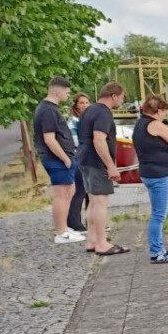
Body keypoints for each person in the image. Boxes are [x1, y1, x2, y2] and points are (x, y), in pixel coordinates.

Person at [32, 76, 83, 245]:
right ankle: (60, 232)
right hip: (56, 159)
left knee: (70, 190)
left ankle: (65, 228)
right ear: (59, 90)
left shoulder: (50, 108)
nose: (68, 95)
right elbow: (49, 139)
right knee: (61, 194)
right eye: (67, 92)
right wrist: (65, 159)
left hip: (63, 157)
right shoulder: (48, 110)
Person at [79, 81, 129, 256]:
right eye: (122, 97)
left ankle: (92, 240)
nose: (122, 101)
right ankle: (102, 243)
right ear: (113, 96)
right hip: (97, 162)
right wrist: (111, 166)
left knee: (92, 202)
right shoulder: (103, 113)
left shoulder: (89, 110)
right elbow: (98, 139)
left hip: (85, 160)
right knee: (101, 203)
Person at [134, 95, 168, 264]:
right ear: (157, 111)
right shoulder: (155, 124)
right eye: (163, 111)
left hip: (149, 172)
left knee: (157, 213)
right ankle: (156, 252)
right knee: (158, 215)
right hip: (158, 174)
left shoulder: (140, 124)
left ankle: (160, 250)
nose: (164, 115)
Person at [66, 92, 92, 233]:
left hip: (87, 158)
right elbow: (76, 143)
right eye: (81, 103)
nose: (85, 105)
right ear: (75, 105)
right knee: (80, 191)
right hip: (78, 158)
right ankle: (74, 223)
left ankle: (92, 222)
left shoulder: (86, 120)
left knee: (91, 192)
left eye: (87, 102)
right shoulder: (73, 123)